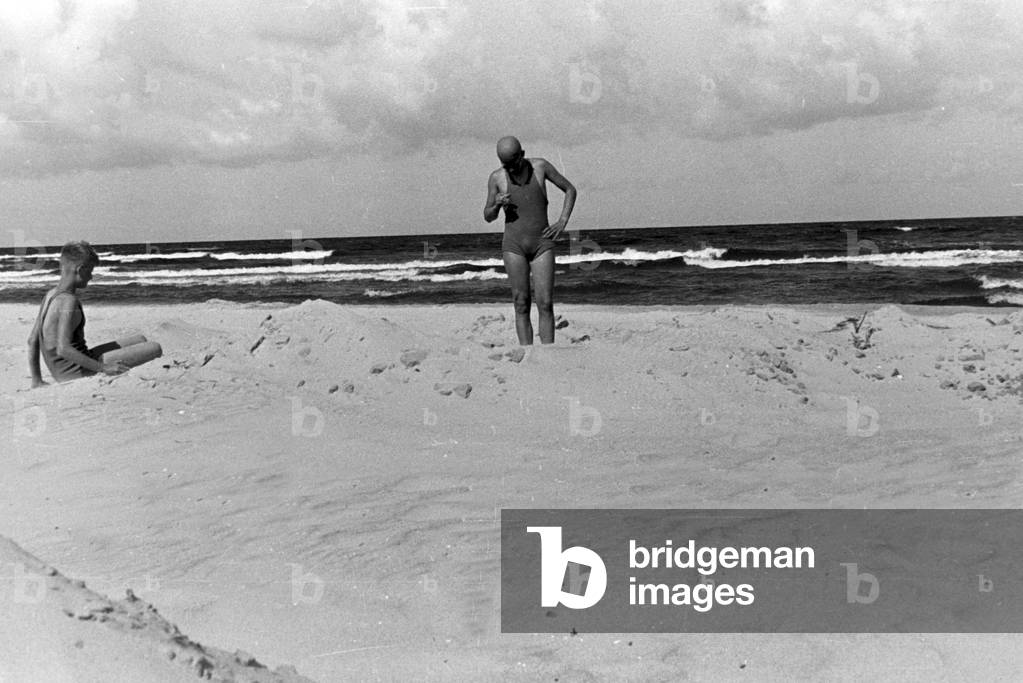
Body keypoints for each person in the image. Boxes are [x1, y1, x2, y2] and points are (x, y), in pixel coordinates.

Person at [28, 241, 162, 387]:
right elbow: (63, 348)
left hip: (68, 367)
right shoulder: (69, 301)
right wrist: (103, 368)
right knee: (155, 347)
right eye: (90, 271)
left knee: (140, 339)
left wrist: (37, 380)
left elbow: (32, 340)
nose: (91, 277)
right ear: (80, 269)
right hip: (76, 371)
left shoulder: (50, 295)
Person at [483, 136, 577, 345]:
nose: (510, 168)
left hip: (541, 244)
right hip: (514, 246)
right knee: (521, 303)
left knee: (545, 303)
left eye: (513, 163)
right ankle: (528, 354)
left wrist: (562, 220)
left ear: (522, 154)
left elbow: (570, 189)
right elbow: (488, 216)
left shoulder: (540, 167)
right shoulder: (497, 178)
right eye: (505, 164)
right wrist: (497, 204)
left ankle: (548, 353)